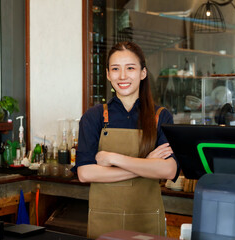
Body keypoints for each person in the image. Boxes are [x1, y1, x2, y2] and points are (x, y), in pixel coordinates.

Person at [75, 41, 179, 239]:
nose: (122, 76)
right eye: (115, 69)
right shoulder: (94, 117)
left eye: (130, 68)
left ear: (143, 73)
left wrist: (113, 158)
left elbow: (169, 169)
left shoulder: (161, 116)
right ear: (107, 74)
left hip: (146, 220)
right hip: (103, 221)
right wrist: (147, 165)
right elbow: (85, 173)